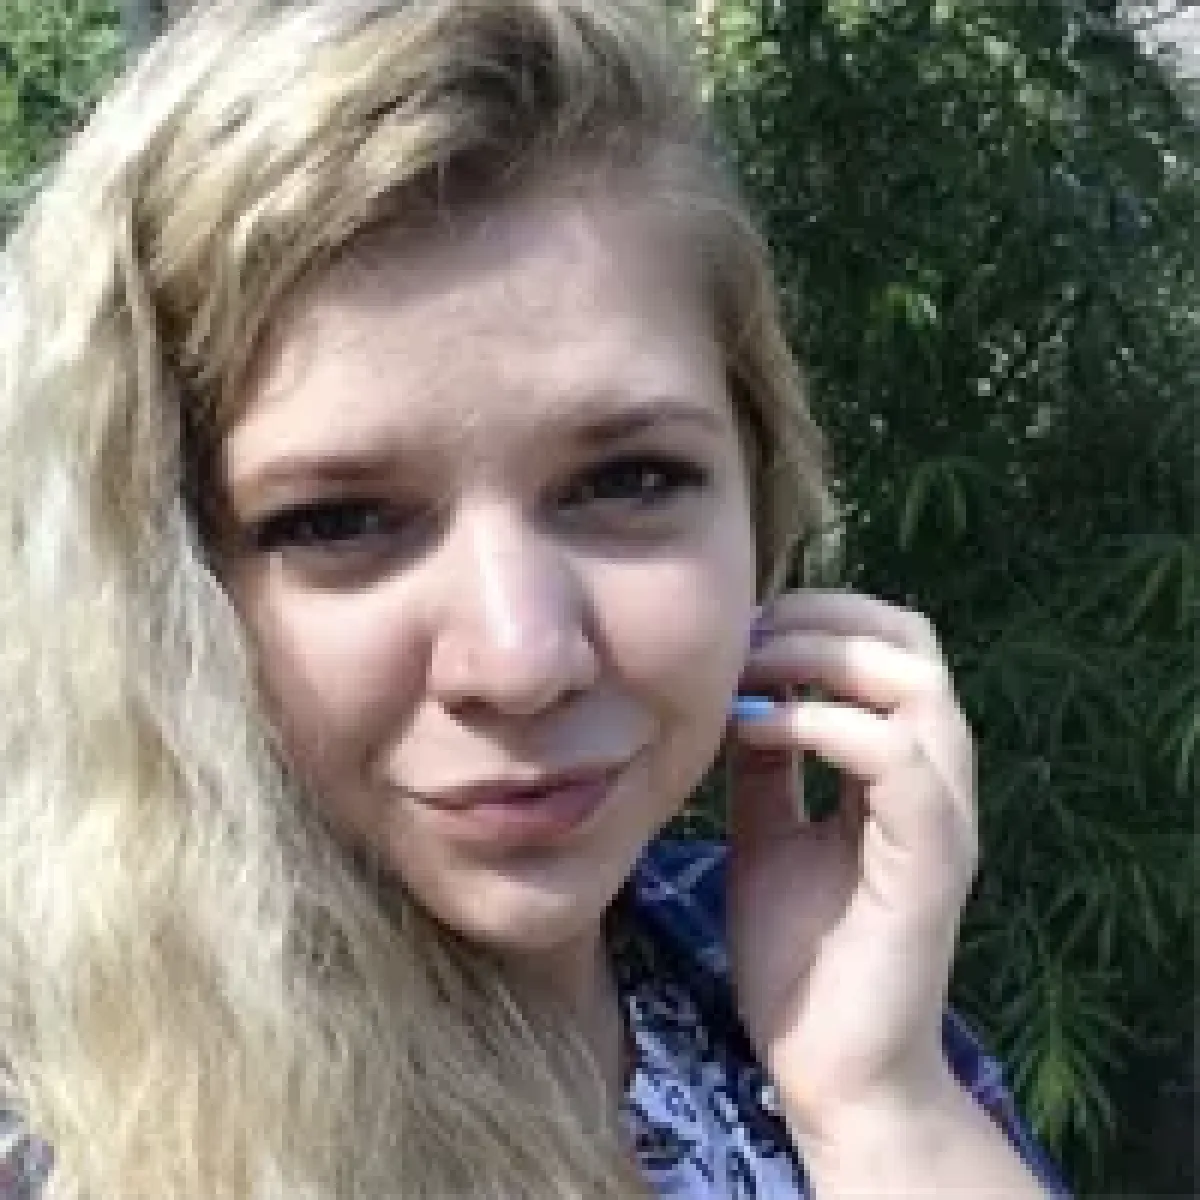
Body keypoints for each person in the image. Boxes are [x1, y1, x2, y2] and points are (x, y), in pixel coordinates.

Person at [0, 1, 1072, 1196]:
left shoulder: (776, 962)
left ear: (759, 489)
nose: (521, 660)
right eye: (338, 520)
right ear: (154, 575)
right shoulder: (67, 1133)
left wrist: (877, 1103)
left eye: (628, 481)